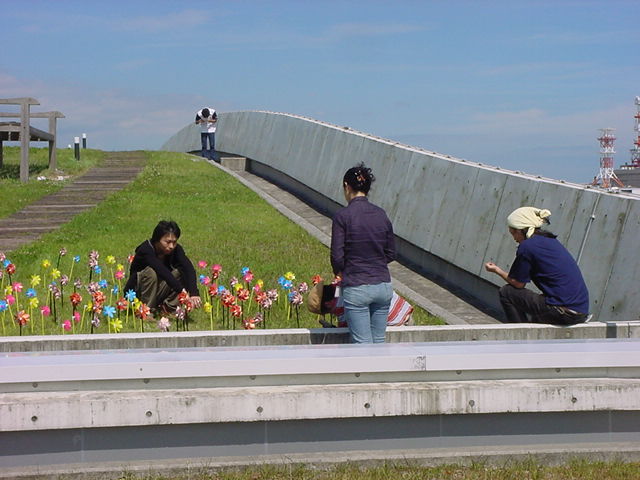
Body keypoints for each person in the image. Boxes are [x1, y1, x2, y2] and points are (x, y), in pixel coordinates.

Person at [484, 206, 589, 325]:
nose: (514, 238)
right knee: (539, 305)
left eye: (513, 233)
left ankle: (520, 334)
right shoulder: (550, 240)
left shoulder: (527, 247)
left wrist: (496, 270)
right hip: (580, 312)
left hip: (563, 313)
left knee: (507, 292)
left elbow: (518, 283)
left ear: (521, 230)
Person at [330, 163, 395, 343]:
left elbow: (337, 256)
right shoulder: (381, 214)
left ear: (346, 186)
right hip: (383, 285)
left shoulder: (343, 216)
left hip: (357, 285)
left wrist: (343, 270)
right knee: (379, 342)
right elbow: (391, 252)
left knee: (362, 345)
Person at [124, 220, 202, 313]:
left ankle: (169, 308)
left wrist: (194, 293)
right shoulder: (146, 250)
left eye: (174, 242)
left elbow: (188, 267)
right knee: (150, 272)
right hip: (139, 293)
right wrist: (182, 291)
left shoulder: (176, 250)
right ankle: (146, 311)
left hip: (158, 290)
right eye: (167, 242)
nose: (171, 246)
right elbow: (162, 271)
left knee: (180, 272)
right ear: (157, 239)